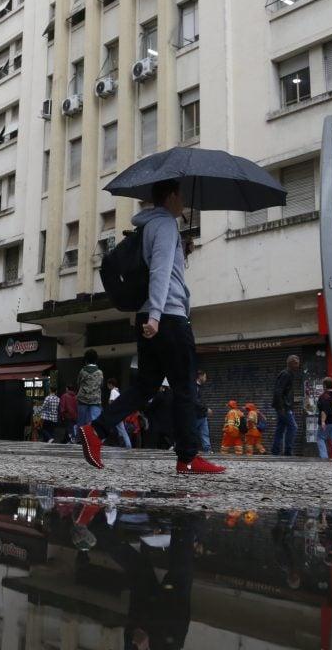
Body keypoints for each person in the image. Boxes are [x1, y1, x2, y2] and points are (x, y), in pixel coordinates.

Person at [79, 180, 224, 474]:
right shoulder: (167, 225)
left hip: (149, 316)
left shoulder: (148, 227)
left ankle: (96, 430)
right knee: (185, 388)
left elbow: (162, 270)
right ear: (171, 196)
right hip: (167, 318)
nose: (183, 201)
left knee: (145, 386)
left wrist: (182, 253)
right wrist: (157, 315)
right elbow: (159, 271)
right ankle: (187, 458)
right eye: (180, 195)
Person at [271, 355, 302, 456]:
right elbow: (278, 391)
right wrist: (281, 407)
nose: (298, 365)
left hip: (284, 406)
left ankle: (275, 451)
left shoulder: (289, 374)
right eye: (296, 363)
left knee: (280, 428)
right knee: (293, 427)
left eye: (298, 362)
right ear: (290, 363)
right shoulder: (286, 374)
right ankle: (288, 451)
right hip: (283, 407)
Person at [76, 350, 104, 438]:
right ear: (96, 359)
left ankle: (79, 439)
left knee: (81, 421)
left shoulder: (82, 371)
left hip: (82, 399)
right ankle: (93, 439)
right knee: (94, 421)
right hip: (95, 400)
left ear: (86, 360)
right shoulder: (100, 372)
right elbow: (101, 385)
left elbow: (78, 383)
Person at [194, 370, 212, 453]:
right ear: (200, 376)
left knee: (205, 433)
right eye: (205, 376)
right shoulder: (195, 387)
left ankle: (207, 450)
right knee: (192, 433)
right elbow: (195, 401)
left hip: (202, 415)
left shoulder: (200, 387)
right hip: (195, 415)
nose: (205, 378)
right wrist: (206, 409)